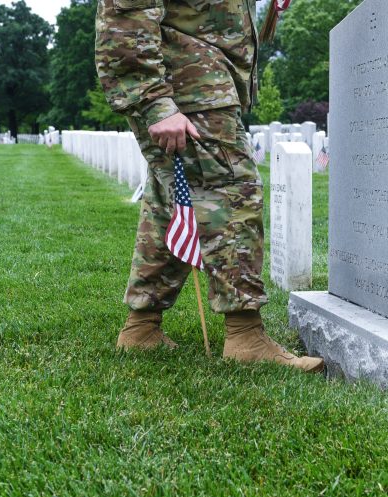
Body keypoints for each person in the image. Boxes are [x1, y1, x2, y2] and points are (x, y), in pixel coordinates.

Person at [95, 0, 323, 373]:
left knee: (173, 197)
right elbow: (126, 10)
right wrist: (154, 100)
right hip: (184, 78)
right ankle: (245, 335)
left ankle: (141, 328)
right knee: (230, 191)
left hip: (200, 75)